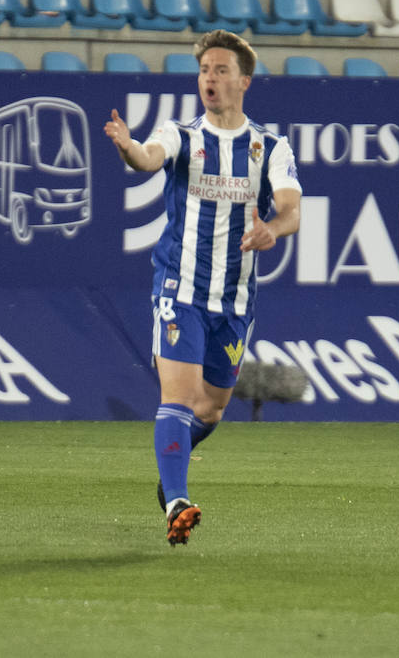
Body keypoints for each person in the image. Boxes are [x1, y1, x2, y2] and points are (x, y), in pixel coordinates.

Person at [103, 30, 301, 546]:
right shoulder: (182, 136)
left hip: (234, 300)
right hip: (180, 287)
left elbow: (292, 208)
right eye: (204, 70)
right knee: (181, 396)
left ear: (244, 81)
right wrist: (128, 148)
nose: (209, 79)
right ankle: (176, 501)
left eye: (220, 70)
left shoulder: (270, 147)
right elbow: (148, 158)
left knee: (211, 408)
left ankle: (169, 471)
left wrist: (272, 229)